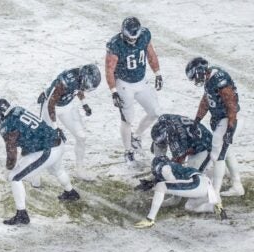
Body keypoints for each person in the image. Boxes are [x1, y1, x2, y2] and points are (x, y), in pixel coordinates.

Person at [0, 98, 80, 225]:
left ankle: (22, 215)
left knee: (15, 177)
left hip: (47, 150)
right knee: (57, 170)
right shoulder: (18, 110)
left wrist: (9, 169)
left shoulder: (7, 126)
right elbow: (29, 135)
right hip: (58, 142)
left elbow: (11, 152)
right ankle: (70, 192)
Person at [105, 16, 163, 165]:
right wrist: (113, 91)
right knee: (127, 119)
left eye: (134, 38)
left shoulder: (144, 35)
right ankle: (128, 151)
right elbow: (109, 69)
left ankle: (136, 137)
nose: (133, 41)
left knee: (155, 112)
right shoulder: (115, 44)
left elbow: (151, 54)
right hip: (124, 84)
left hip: (141, 80)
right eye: (130, 38)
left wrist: (157, 73)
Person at [185, 57, 244, 197]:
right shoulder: (210, 79)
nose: (195, 80)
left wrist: (230, 129)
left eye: (195, 77)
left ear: (200, 72)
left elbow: (232, 105)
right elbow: (207, 100)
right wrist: (197, 120)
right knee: (227, 153)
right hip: (223, 120)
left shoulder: (219, 80)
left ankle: (215, 194)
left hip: (230, 119)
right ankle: (237, 186)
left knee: (217, 156)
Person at [38, 64, 101, 181]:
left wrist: (84, 103)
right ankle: (34, 171)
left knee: (81, 137)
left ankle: (80, 169)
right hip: (51, 106)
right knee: (46, 140)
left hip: (67, 105)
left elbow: (78, 90)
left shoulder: (81, 78)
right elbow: (51, 104)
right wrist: (56, 128)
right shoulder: (64, 82)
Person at [134, 156, 225, 229]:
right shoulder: (175, 168)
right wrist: (159, 203)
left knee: (161, 186)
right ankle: (214, 207)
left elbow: (170, 182)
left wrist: (154, 187)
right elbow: (175, 199)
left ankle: (150, 219)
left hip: (196, 183)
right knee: (190, 207)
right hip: (205, 185)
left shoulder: (164, 166)